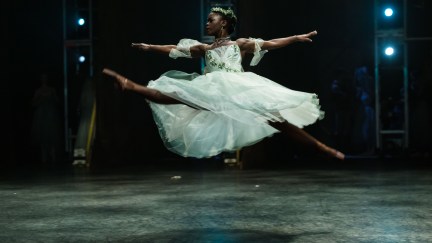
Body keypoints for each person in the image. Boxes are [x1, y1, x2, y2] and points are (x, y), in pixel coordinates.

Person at [102, 7, 344, 160]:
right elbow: (174, 49)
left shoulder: (239, 44)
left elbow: (270, 43)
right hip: (211, 89)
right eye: (207, 20)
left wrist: (296, 38)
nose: (207, 24)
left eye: (211, 20)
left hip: (239, 88)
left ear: (224, 23)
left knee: (277, 120)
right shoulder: (203, 48)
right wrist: (149, 47)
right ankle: (130, 85)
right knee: (174, 94)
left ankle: (322, 147)